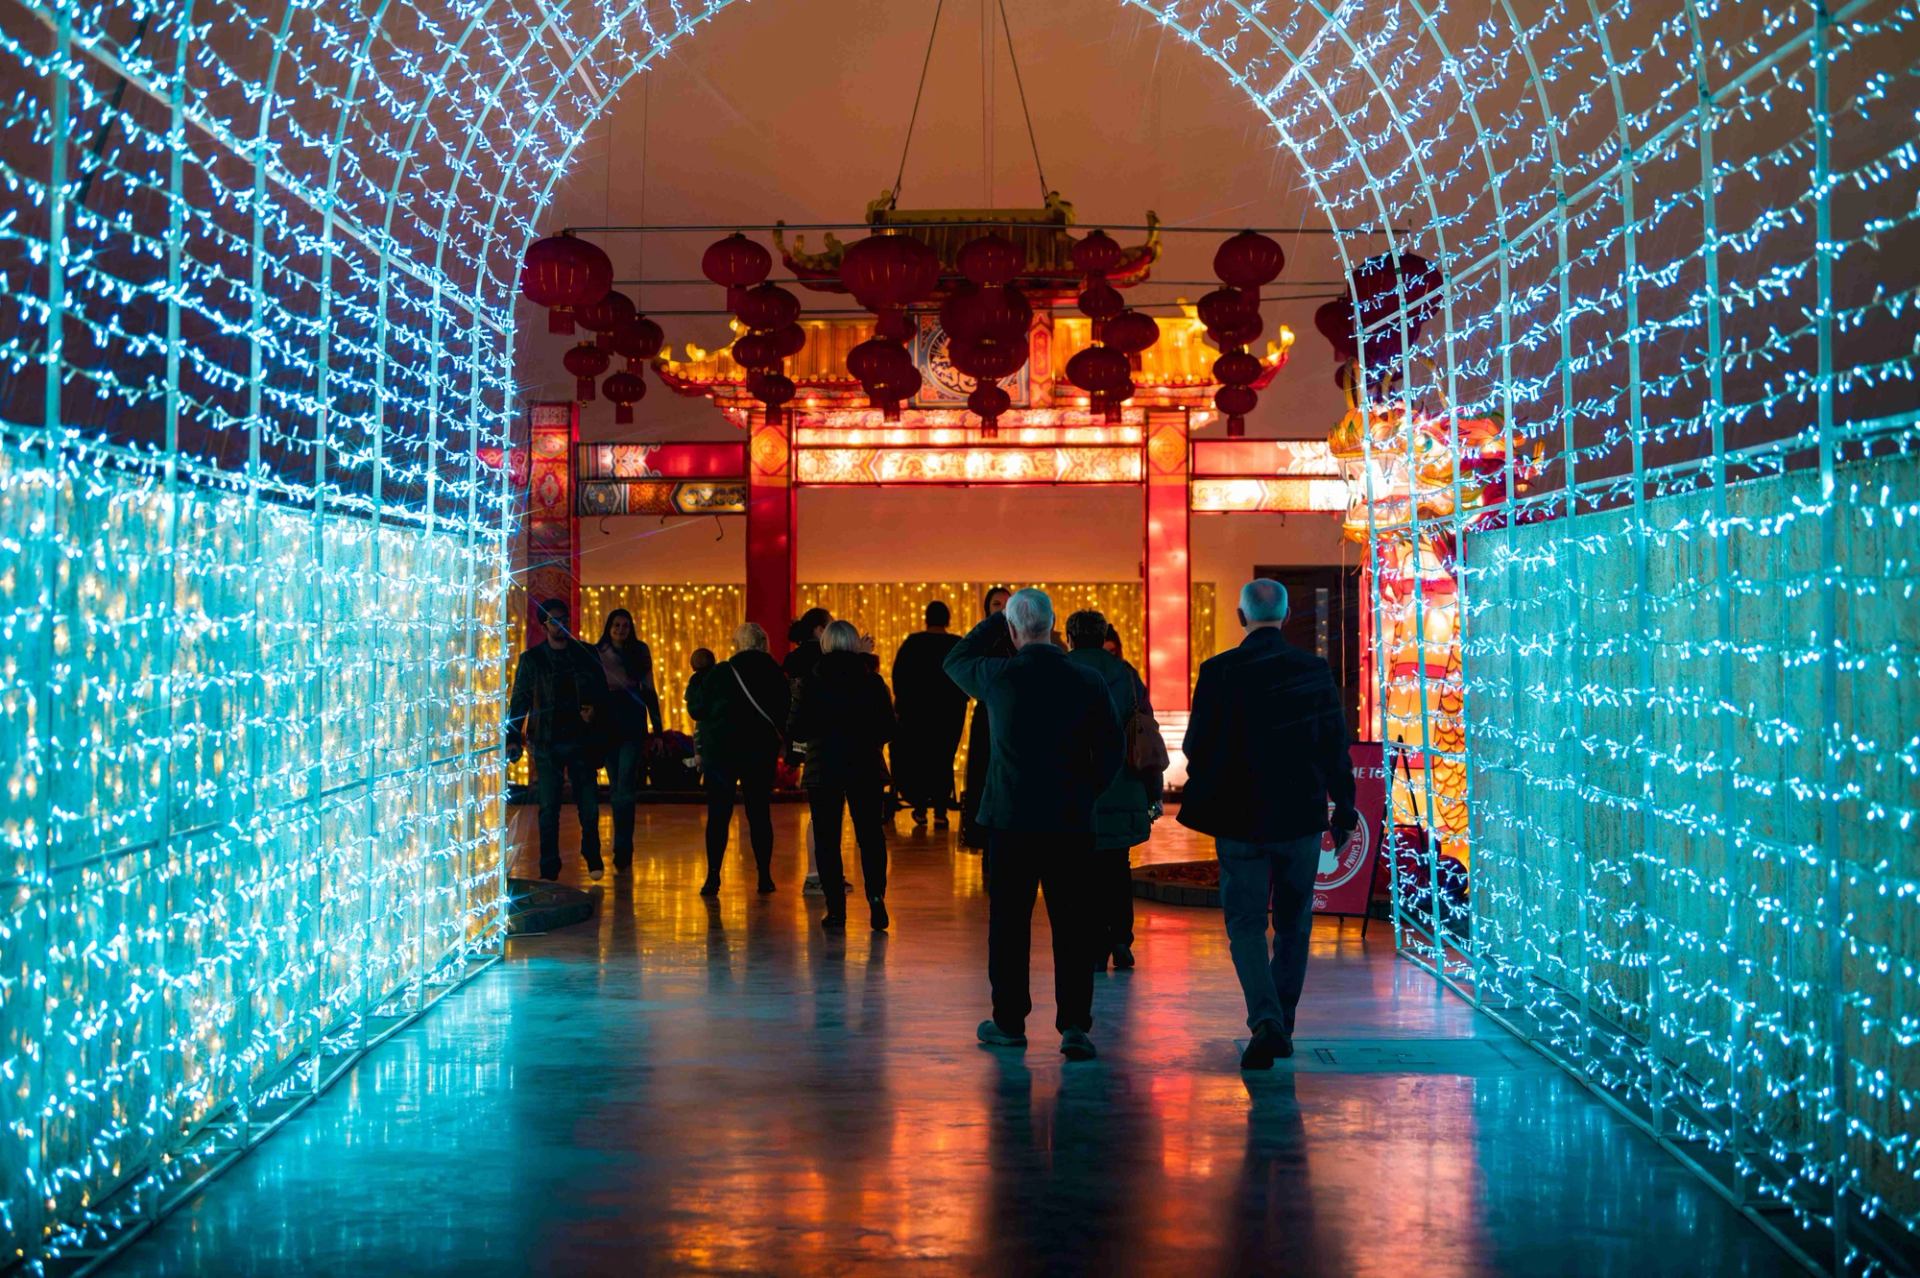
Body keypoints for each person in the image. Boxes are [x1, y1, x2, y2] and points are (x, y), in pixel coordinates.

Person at [1181, 578, 1359, 1071]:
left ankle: (1266, 1021)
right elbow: (1333, 746)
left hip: (1239, 820)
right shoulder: (1313, 669)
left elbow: (1196, 745)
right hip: (1299, 816)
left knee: (1244, 923)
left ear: (1241, 618)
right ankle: (1283, 1018)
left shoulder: (1218, 672)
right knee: (1294, 921)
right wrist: (1343, 807)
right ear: (1284, 617)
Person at [946, 588, 1123, 1061]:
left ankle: (1008, 1021)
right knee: (1073, 925)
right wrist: (1086, 793)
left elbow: (955, 658)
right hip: (1070, 821)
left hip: (1011, 820)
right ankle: (1074, 1026)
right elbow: (1112, 751)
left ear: (1011, 629)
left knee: (1008, 925)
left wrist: (997, 622)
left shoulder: (999, 677)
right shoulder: (1086, 680)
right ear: (1054, 624)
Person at [1064, 609, 1163, 972]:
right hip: (1122, 787)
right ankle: (1120, 938)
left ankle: (1092, 943)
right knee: (1116, 867)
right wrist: (1152, 793)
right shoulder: (1126, 674)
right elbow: (1145, 729)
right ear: (1104, 634)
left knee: (1080, 871)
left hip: (1074, 791)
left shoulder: (1061, 671)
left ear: (1070, 637)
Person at [788, 621, 896, 930]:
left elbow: (796, 727)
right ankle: (876, 900)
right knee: (870, 837)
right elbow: (888, 728)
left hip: (823, 768)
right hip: (865, 767)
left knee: (827, 839)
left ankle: (835, 909)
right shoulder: (873, 683)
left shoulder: (810, 682)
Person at [505, 598, 610, 882]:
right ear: (544, 625)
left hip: (581, 739)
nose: (560, 625)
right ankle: (549, 868)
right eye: (554, 621)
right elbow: (520, 700)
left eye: (564, 619)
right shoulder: (533, 660)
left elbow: (602, 693)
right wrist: (513, 737)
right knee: (548, 807)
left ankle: (593, 855)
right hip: (547, 741)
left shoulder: (585, 653)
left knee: (588, 804)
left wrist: (595, 715)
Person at [686, 621, 791, 896]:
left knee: (719, 814)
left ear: (739, 644)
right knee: (759, 812)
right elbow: (785, 713)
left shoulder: (721, 672)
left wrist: (698, 676)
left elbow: (697, 709)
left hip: (722, 752)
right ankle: (764, 876)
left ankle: (712, 877)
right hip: (760, 752)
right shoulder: (775, 673)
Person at [595, 608, 665, 870]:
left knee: (625, 784)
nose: (621, 629)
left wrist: (658, 730)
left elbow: (649, 690)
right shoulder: (598, 651)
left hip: (632, 721)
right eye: (616, 625)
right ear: (609, 626)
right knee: (616, 786)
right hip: (607, 721)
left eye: (625, 625)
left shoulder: (639, 651)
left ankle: (623, 847)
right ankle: (621, 844)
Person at [890, 600, 967, 827]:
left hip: (916, 714)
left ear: (926, 618)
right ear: (947, 619)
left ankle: (921, 808)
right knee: (943, 759)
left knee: (920, 758)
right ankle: (941, 812)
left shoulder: (913, 644)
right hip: (949, 715)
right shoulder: (957, 645)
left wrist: (902, 707)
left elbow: (899, 678)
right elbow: (964, 679)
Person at [959, 586, 1014, 850]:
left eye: (1007, 604)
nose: (1002, 609)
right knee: (984, 774)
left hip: (1016, 715)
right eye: (996, 604)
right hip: (988, 715)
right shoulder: (981, 640)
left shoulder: (1023, 641)